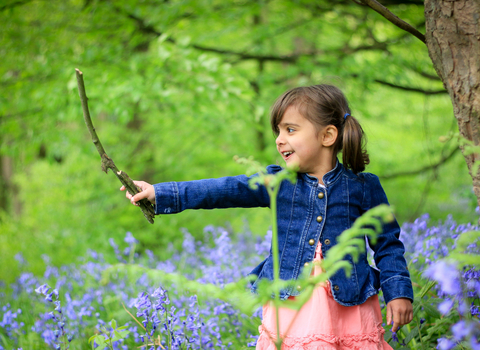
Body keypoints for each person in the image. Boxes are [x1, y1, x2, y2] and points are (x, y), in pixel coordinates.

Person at [121, 84, 414, 349]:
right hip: (291, 301)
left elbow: (388, 244)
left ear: (327, 135)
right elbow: (223, 190)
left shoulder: (364, 186)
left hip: (349, 305)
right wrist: (161, 193)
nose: (279, 140)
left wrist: (398, 292)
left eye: (290, 130)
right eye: (278, 131)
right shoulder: (279, 182)